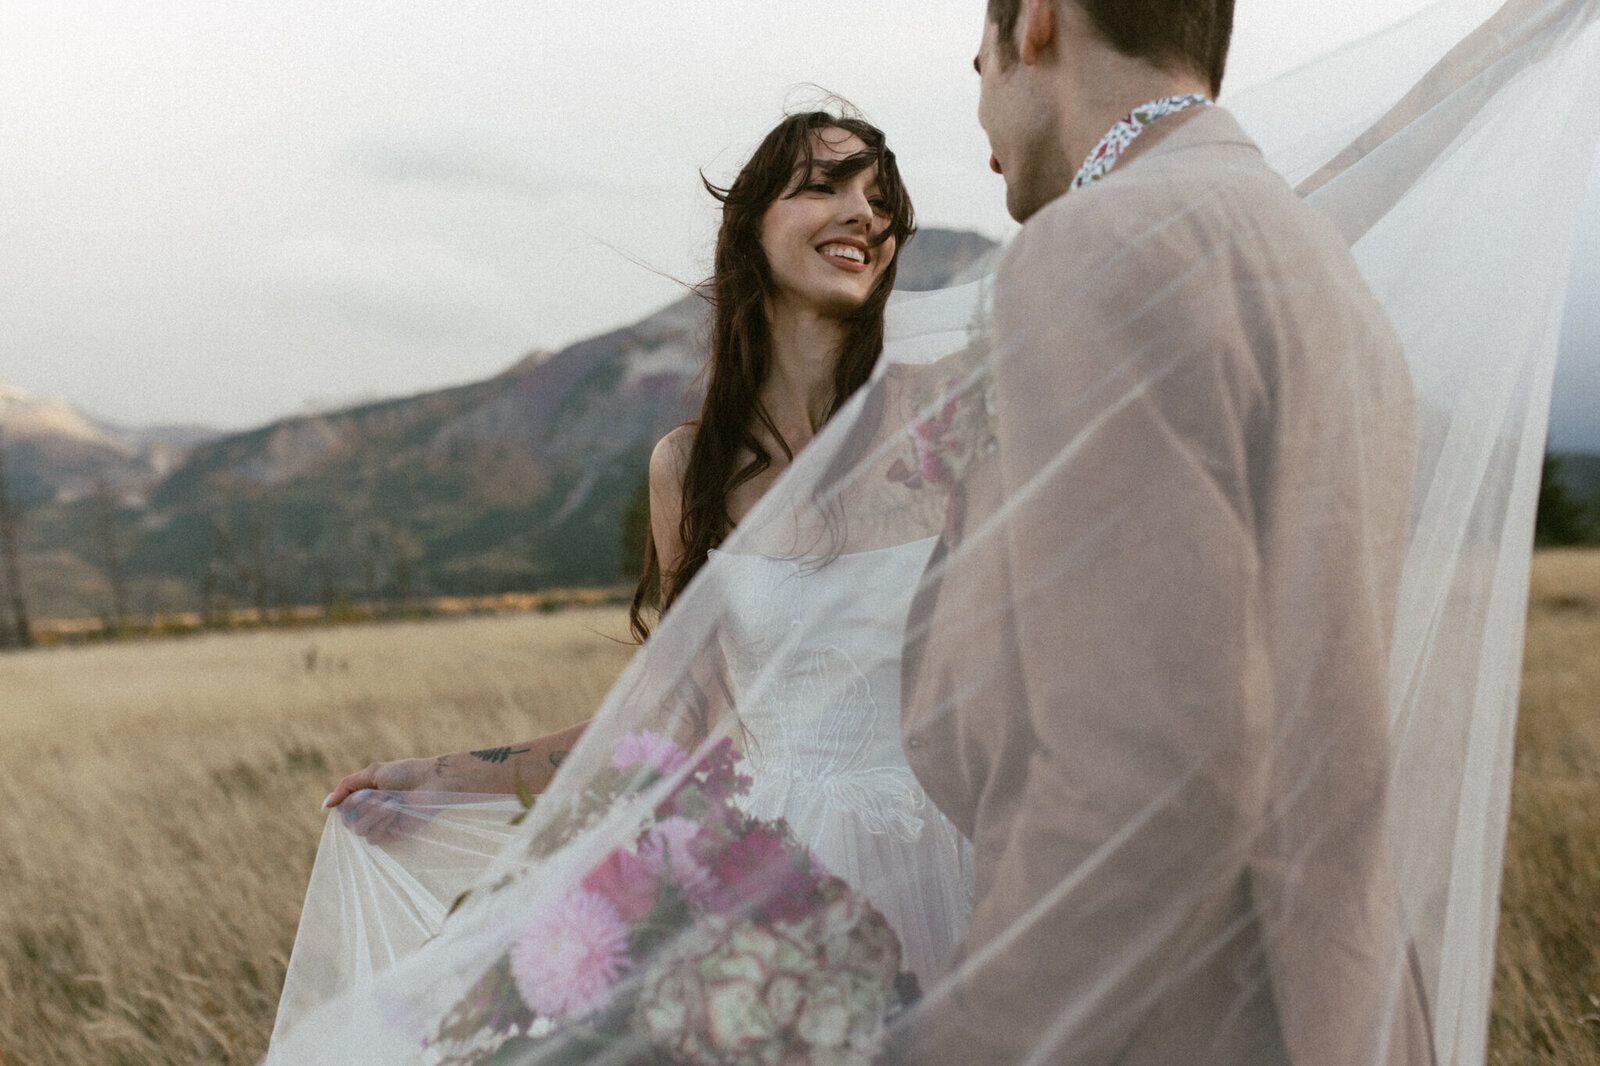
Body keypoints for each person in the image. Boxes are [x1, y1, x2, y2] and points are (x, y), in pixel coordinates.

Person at [301, 107, 969, 993]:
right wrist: (434, 780)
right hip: (776, 890)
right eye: (826, 186)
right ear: (752, 225)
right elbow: (666, 727)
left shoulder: (941, 431)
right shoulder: (690, 470)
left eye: (881, 200)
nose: (866, 214)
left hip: (959, 863)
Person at [891, 0, 1436, 1062]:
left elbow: (1152, 772)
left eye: (977, 64)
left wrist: (955, 1040)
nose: (981, 112)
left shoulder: (1095, 249)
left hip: (1173, 1020)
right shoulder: (1307, 256)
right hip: (1337, 1003)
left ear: (1035, 23)